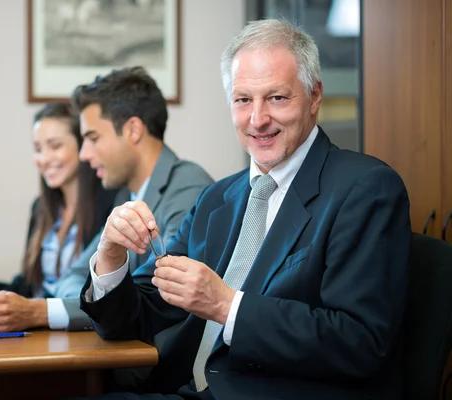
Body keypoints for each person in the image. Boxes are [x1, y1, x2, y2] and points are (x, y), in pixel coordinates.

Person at [76, 19, 412, 400]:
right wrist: (110, 257)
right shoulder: (217, 198)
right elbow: (134, 319)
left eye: (277, 98)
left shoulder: (365, 188)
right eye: (243, 100)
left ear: (314, 96)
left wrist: (225, 305)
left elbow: (360, 342)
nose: (257, 119)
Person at [41, 66, 214, 333]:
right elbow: (77, 276)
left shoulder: (188, 187)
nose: (84, 154)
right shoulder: (125, 195)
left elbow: (154, 298)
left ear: (133, 130)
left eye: (93, 138)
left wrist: (42, 311)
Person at [0, 102, 116, 333]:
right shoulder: (42, 209)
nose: (44, 159)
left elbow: (103, 294)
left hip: (77, 333)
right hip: (37, 332)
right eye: (37, 148)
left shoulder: (110, 205)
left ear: (82, 146)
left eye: (54, 146)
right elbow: (29, 286)